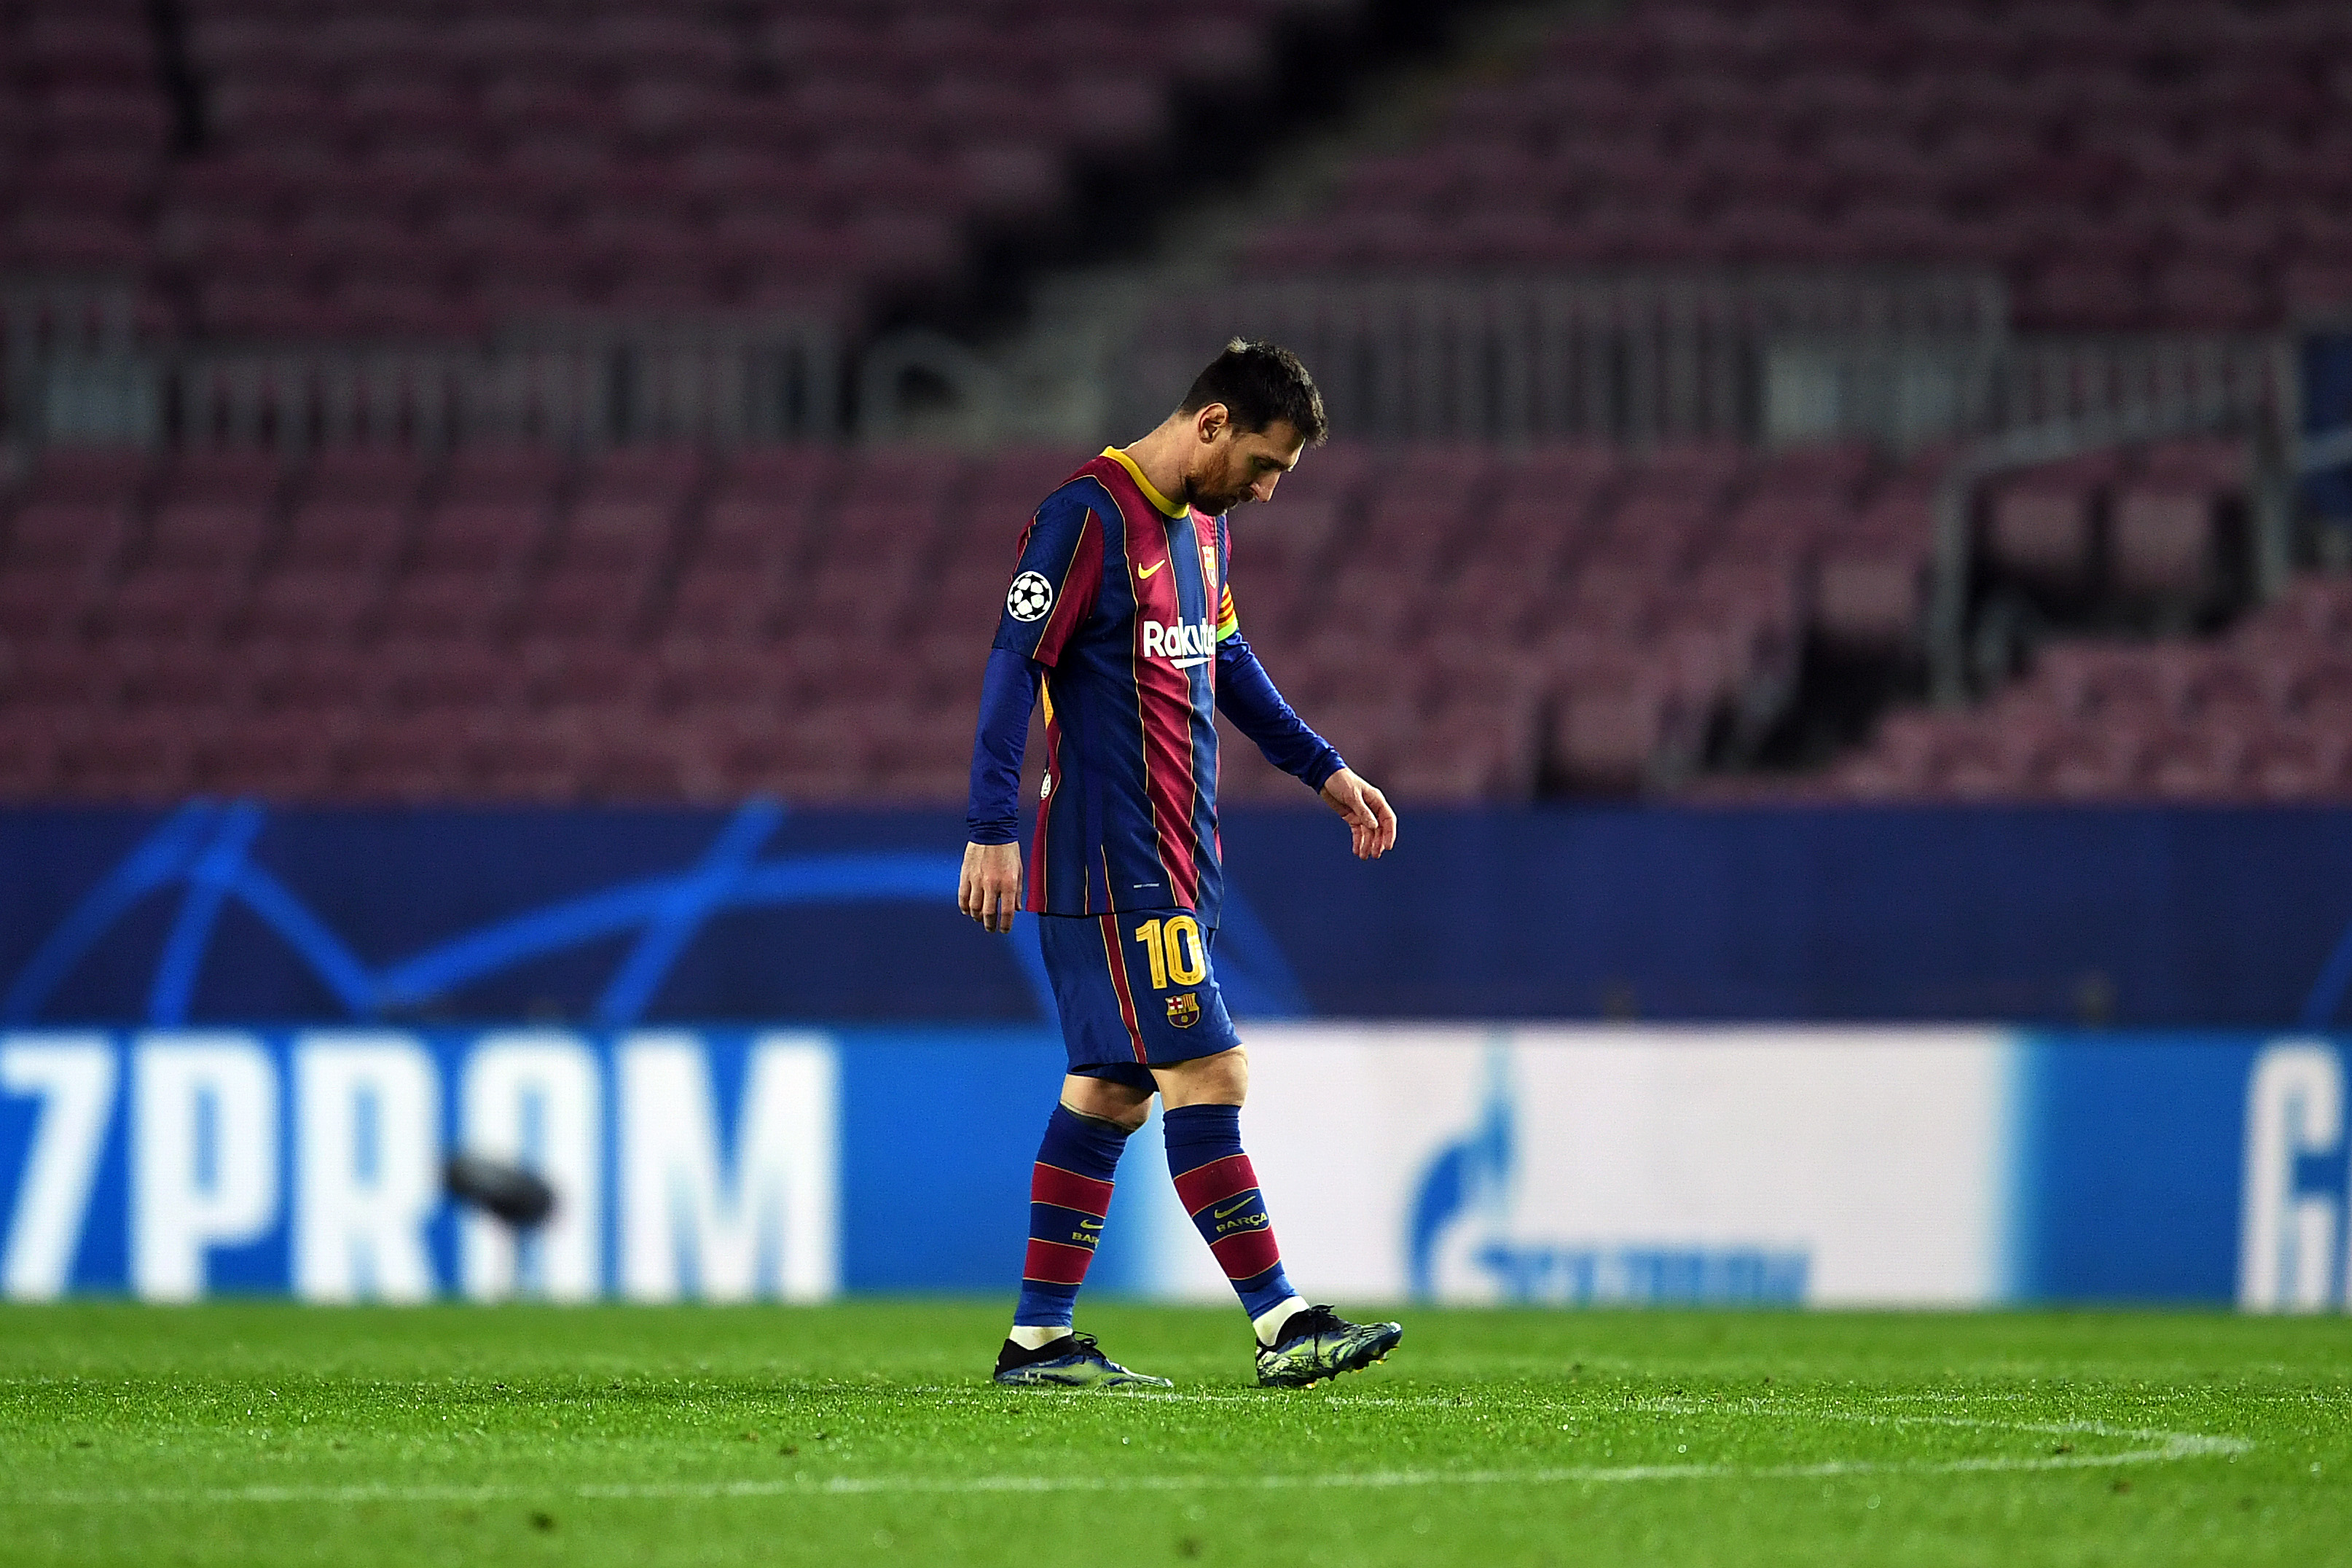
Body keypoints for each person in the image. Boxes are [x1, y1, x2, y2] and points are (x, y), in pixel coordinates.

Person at [960, 340, 1403, 1389]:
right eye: (1262, 465)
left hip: (1174, 859)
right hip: (1115, 862)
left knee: (1110, 1089)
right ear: (1210, 424)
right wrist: (991, 825)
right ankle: (1282, 1322)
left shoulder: (1204, 536)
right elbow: (1012, 667)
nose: (1263, 491)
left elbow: (1229, 663)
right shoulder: (1085, 517)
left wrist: (1325, 771)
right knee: (1211, 1069)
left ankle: (1041, 1339)